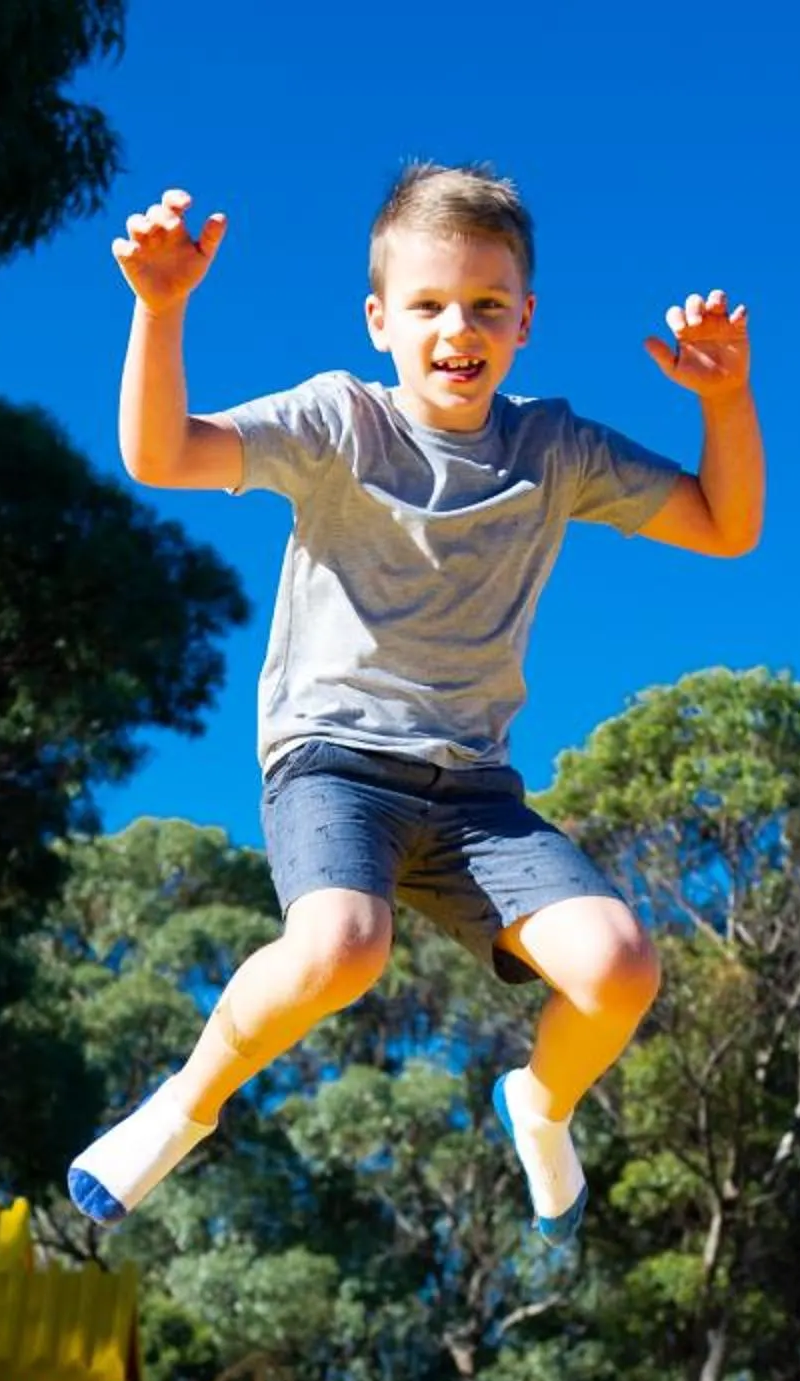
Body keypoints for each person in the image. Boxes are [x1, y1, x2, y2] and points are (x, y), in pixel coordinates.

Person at [67, 163, 763, 1242]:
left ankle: (540, 1102)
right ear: (379, 318)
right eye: (429, 305)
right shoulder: (340, 423)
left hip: (476, 791)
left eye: (488, 306)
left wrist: (725, 399)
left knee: (619, 963)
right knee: (342, 943)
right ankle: (186, 1102)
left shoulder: (553, 448)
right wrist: (161, 312)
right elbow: (160, 455)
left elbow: (725, 523)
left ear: (526, 320)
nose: (458, 329)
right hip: (334, 761)